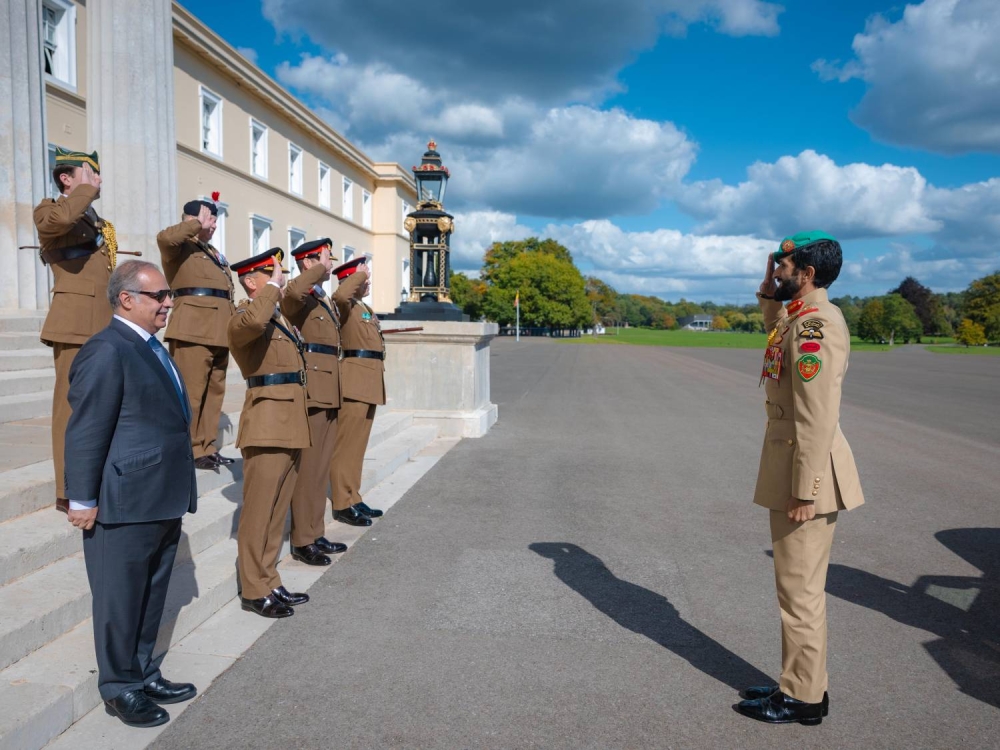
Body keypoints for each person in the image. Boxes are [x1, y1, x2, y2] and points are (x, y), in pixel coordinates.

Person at [736, 231, 865, 725]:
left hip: (805, 474)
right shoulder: (799, 317)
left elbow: (817, 416)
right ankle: (802, 683)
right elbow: (777, 332)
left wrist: (804, 491)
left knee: (800, 593)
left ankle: (803, 699)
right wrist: (768, 290)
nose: (777, 270)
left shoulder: (818, 327)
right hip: (794, 465)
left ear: (807, 274)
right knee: (796, 588)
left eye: (784, 266)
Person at [64, 260, 198, 728]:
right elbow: (86, 430)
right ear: (126, 299)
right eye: (159, 295)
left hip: (160, 495)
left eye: (168, 295)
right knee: (119, 603)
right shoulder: (106, 349)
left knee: (150, 596)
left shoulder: (150, 346)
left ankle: (143, 673)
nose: (168, 303)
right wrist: (82, 499)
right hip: (124, 500)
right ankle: (120, 687)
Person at [228, 249, 312, 618]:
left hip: (290, 421)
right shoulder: (242, 317)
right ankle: (252, 588)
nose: (280, 277)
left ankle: (269, 579)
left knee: (277, 512)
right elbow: (252, 323)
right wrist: (273, 289)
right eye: (270, 272)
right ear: (250, 281)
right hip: (265, 425)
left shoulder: (277, 319)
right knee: (259, 512)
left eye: (280, 272)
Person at [33, 148, 114, 511]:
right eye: (88, 173)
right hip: (74, 322)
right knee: (70, 407)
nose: (97, 180)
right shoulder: (49, 209)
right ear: (66, 179)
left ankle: (96, 477)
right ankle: (68, 488)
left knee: (101, 406)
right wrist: (86, 191)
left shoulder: (94, 220)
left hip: (103, 321)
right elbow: (60, 221)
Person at [281, 239, 349, 565]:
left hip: (330, 387)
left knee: (321, 469)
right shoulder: (300, 294)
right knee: (308, 469)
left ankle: (316, 531)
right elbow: (292, 293)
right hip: (313, 389)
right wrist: (317, 269)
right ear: (307, 263)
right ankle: (302, 539)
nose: (330, 263)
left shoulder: (321, 297)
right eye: (324, 258)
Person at [157, 196, 236, 470]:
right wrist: (194, 225)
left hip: (220, 330)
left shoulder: (213, 253)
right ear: (193, 219)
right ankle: (187, 447)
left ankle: (206, 447)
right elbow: (165, 239)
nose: (213, 226)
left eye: (214, 221)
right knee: (190, 393)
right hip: (193, 329)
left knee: (214, 393)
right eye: (210, 220)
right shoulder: (180, 246)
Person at [329, 258, 385, 526]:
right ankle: (342, 502)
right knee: (346, 446)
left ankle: (353, 496)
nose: (368, 281)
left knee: (358, 446)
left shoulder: (363, 308)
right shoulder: (346, 304)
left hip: (368, 381)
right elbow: (339, 295)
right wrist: (357, 278)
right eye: (364, 278)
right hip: (354, 381)